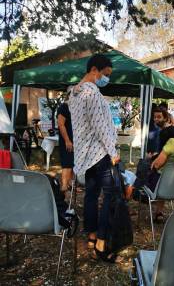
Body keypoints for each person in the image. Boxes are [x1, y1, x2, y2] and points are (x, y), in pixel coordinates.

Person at [69, 54, 121, 263]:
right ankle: (101, 242)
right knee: (111, 196)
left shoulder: (74, 93)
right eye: (105, 74)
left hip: (84, 154)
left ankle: (91, 234)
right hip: (100, 153)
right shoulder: (92, 93)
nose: (106, 79)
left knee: (91, 195)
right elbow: (100, 127)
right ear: (94, 70)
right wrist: (113, 152)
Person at [57, 88, 74, 192]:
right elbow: (61, 124)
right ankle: (64, 185)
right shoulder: (64, 107)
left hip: (75, 140)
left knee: (72, 163)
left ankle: (70, 184)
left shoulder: (75, 107)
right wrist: (67, 140)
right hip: (67, 140)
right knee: (67, 163)